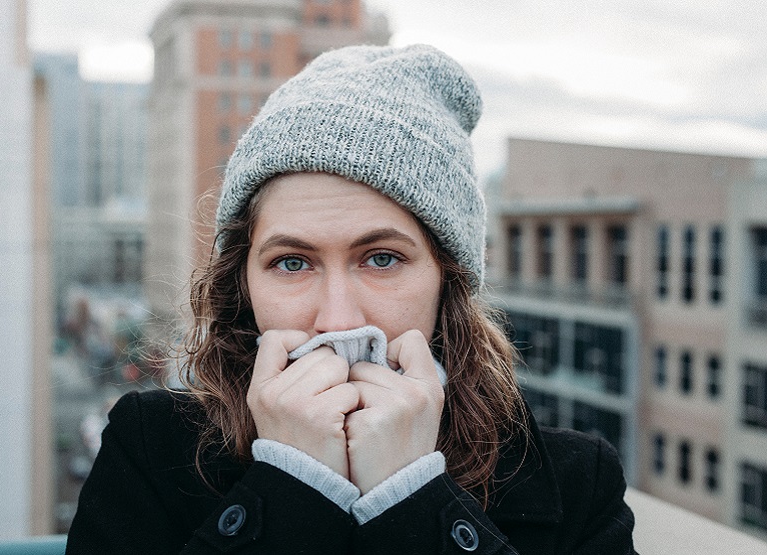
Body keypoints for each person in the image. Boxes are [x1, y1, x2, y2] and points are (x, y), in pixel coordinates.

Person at [67, 44, 636, 554]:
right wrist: (290, 488)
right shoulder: (151, 448)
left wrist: (412, 500)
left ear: (449, 279)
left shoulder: (577, 481)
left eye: (381, 258)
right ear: (242, 283)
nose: (337, 319)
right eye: (292, 263)